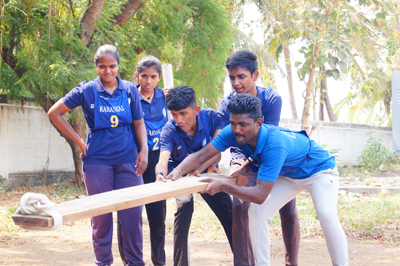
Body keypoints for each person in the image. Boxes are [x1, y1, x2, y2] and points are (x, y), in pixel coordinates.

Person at [166, 94, 349, 266]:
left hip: (319, 171)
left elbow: (261, 194)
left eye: (243, 124)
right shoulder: (233, 131)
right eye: (233, 123)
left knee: (326, 214)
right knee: (257, 213)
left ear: (258, 122)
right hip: (289, 175)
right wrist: (177, 170)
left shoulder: (274, 143)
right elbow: (202, 155)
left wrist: (223, 186)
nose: (237, 129)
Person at [48, 44, 148, 266]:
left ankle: (135, 262)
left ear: (118, 66)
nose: (107, 71)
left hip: (128, 160)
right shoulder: (86, 90)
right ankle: (103, 262)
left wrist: (144, 150)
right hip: (97, 163)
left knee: (132, 217)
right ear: (96, 66)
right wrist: (80, 143)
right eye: (102, 66)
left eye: (112, 66)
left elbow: (139, 122)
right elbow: (54, 113)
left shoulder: (130, 89)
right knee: (101, 218)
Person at [217, 50, 300, 266]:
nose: (236, 82)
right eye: (232, 78)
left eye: (241, 76)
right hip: (240, 157)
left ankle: (292, 262)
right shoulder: (227, 104)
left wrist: (247, 167)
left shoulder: (272, 99)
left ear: (255, 75)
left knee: (288, 208)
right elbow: (217, 140)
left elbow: (268, 140)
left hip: (269, 156)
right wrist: (215, 167)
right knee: (239, 205)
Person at [155, 86, 233, 266]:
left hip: (206, 173)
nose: (179, 120)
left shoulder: (212, 117)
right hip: (178, 176)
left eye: (183, 113)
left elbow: (217, 150)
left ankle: (244, 260)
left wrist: (200, 169)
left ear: (196, 110)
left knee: (230, 213)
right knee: (185, 205)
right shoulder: (169, 129)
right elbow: (162, 161)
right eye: (174, 114)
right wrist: (160, 173)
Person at [118, 55, 168, 266]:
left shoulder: (165, 97)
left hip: (159, 162)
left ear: (159, 78)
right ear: (137, 76)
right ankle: (129, 260)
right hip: (135, 161)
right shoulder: (128, 97)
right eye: (144, 76)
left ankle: (159, 261)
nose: (148, 81)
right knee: (130, 215)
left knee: (158, 218)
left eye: (153, 76)